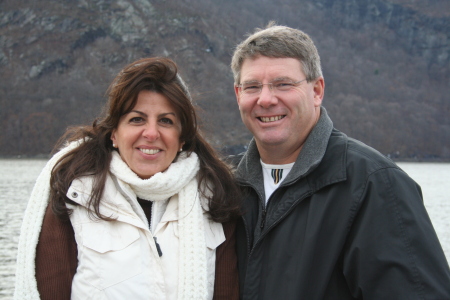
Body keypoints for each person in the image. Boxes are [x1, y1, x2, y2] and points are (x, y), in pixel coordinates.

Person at [230, 23, 450, 299]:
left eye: (283, 84)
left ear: (317, 91)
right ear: (238, 95)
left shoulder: (375, 183)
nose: (265, 99)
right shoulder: (226, 188)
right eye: (252, 87)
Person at [14, 57, 241, 300]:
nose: (151, 133)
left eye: (166, 121)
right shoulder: (74, 196)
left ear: (182, 138)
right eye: (137, 119)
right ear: (114, 133)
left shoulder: (214, 200)